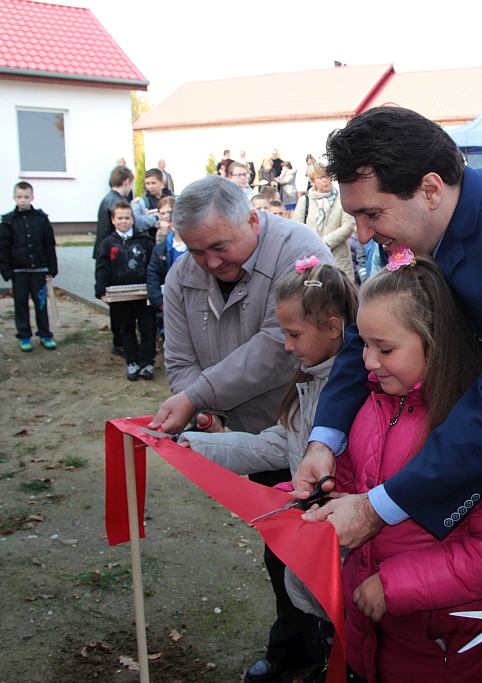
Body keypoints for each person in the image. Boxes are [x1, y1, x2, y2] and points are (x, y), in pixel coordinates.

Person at [292, 106, 482, 553]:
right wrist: (324, 440)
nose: (361, 235)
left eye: (371, 215)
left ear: (430, 189)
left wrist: (375, 508)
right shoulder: (409, 229)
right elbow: (367, 333)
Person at [145, 175, 333, 683]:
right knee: (279, 544)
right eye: (195, 250)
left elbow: (276, 351)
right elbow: (181, 359)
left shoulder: (301, 251)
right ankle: (301, 647)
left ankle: (320, 648)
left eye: (219, 247)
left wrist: (196, 397)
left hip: (317, 432)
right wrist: (201, 412)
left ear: (252, 219)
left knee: (321, 546)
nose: (208, 263)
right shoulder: (183, 275)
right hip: (251, 435)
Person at [337, 252, 482, 682]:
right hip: (375, 638)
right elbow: (353, 485)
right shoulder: (370, 405)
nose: (368, 362)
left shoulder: (480, 434)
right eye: (365, 345)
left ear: (434, 340)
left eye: (384, 348)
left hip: (449, 652)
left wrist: (393, 586)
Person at [179, 260, 358, 679]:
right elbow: (273, 445)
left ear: (333, 328)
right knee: (319, 615)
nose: (285, 345)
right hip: (313, 544)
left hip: (341, 548)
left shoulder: (354, 395)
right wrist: (196, 445)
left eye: (294, 334)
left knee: (345, 621)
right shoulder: (307, 385)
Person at [95, 202, 156, 381]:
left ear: (133, 219)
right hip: (120, 296)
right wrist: (101, 290)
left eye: (127, 218)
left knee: (148, 329)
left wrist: (154, 289)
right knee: (125, 329)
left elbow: (153, 267)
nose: (124, 221)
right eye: (120, 218)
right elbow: (102, 268)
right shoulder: (107, 243)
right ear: (113, 220)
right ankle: (132, 362)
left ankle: (147, 363)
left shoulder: (145, 241)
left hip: (143, 295)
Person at [0, 182, 59, 352]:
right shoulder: (9, 221)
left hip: (39, 269)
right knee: (21, 304)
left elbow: (49, 244)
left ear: (32, 197)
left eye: (26, 197)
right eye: (19, 197)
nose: (23, 200)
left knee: (41, 303)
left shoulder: (41, 219)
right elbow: (2, 247)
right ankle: (24, 335)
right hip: (19, 271)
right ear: (14, 198)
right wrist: (6, 269)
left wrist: (52, 267)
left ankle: (45, 334)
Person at [95, 165, 136, 356]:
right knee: (117, 307)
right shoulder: (116, 201)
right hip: (113, 255)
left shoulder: (107, 199)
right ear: (126, 182)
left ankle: (120, 339)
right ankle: (119, 341)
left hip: (112, 253)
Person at [293, 162, 357, 279]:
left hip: (339, 258)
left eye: (328, 176)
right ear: (313, 181)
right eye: (321, 177)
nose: (326, 180)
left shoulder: (342, 199)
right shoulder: (305, 200)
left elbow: (348, 225)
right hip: (312, 258)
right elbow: (298, 227)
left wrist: (325, 243)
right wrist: (315, 244)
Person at [146, 197, 186, 340]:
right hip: (169, 304)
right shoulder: (161, 250)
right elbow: (152, 277)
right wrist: (160, 303)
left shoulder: (197, 249)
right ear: (172, 225)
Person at [133, 168, 175, 237]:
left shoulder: (174, 198)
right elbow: (136, 221)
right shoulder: (142, 202)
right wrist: (156, 218)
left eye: (153, 183)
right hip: (151, 237)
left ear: (162, 182)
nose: (150, 187)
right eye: (147, 184)